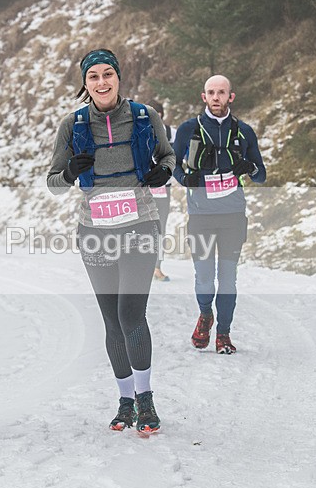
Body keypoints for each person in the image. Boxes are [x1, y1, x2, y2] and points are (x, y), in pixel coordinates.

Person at [47, 49, 175, 434]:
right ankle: (125, 401)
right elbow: (53, 183)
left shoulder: (143, 116)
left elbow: (168, 159)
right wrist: (69, 172)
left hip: (139, 226)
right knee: (111, 322)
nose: (101, 82)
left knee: (131, 315)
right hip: (95, 233)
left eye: (108, 75)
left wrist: (160, 174)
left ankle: (145, 399)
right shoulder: (73, 124)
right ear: (84, 84)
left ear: (119, 78)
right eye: (93, 77)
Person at [172, 75, 266, 354]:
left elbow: (261, 176)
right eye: (211, 92)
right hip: (201, 216)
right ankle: (205, 315)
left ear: (230, 97)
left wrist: (247, 166)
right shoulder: (189, 129)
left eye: (221, 93)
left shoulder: (244, 132)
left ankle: (223, 334)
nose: (216, 97)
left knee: (227, 279)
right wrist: (183, 179)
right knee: (203, 277)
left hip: (233, 216)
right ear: (203, 97)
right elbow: (172, 165)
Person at [147, 101, 176, 282]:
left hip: (163, 189)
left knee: (160, 227)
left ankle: (157, 267)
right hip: (141, 188)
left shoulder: (172, 132)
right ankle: (139, 266)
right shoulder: (137, 131)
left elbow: (177, 157)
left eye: (158, 113)